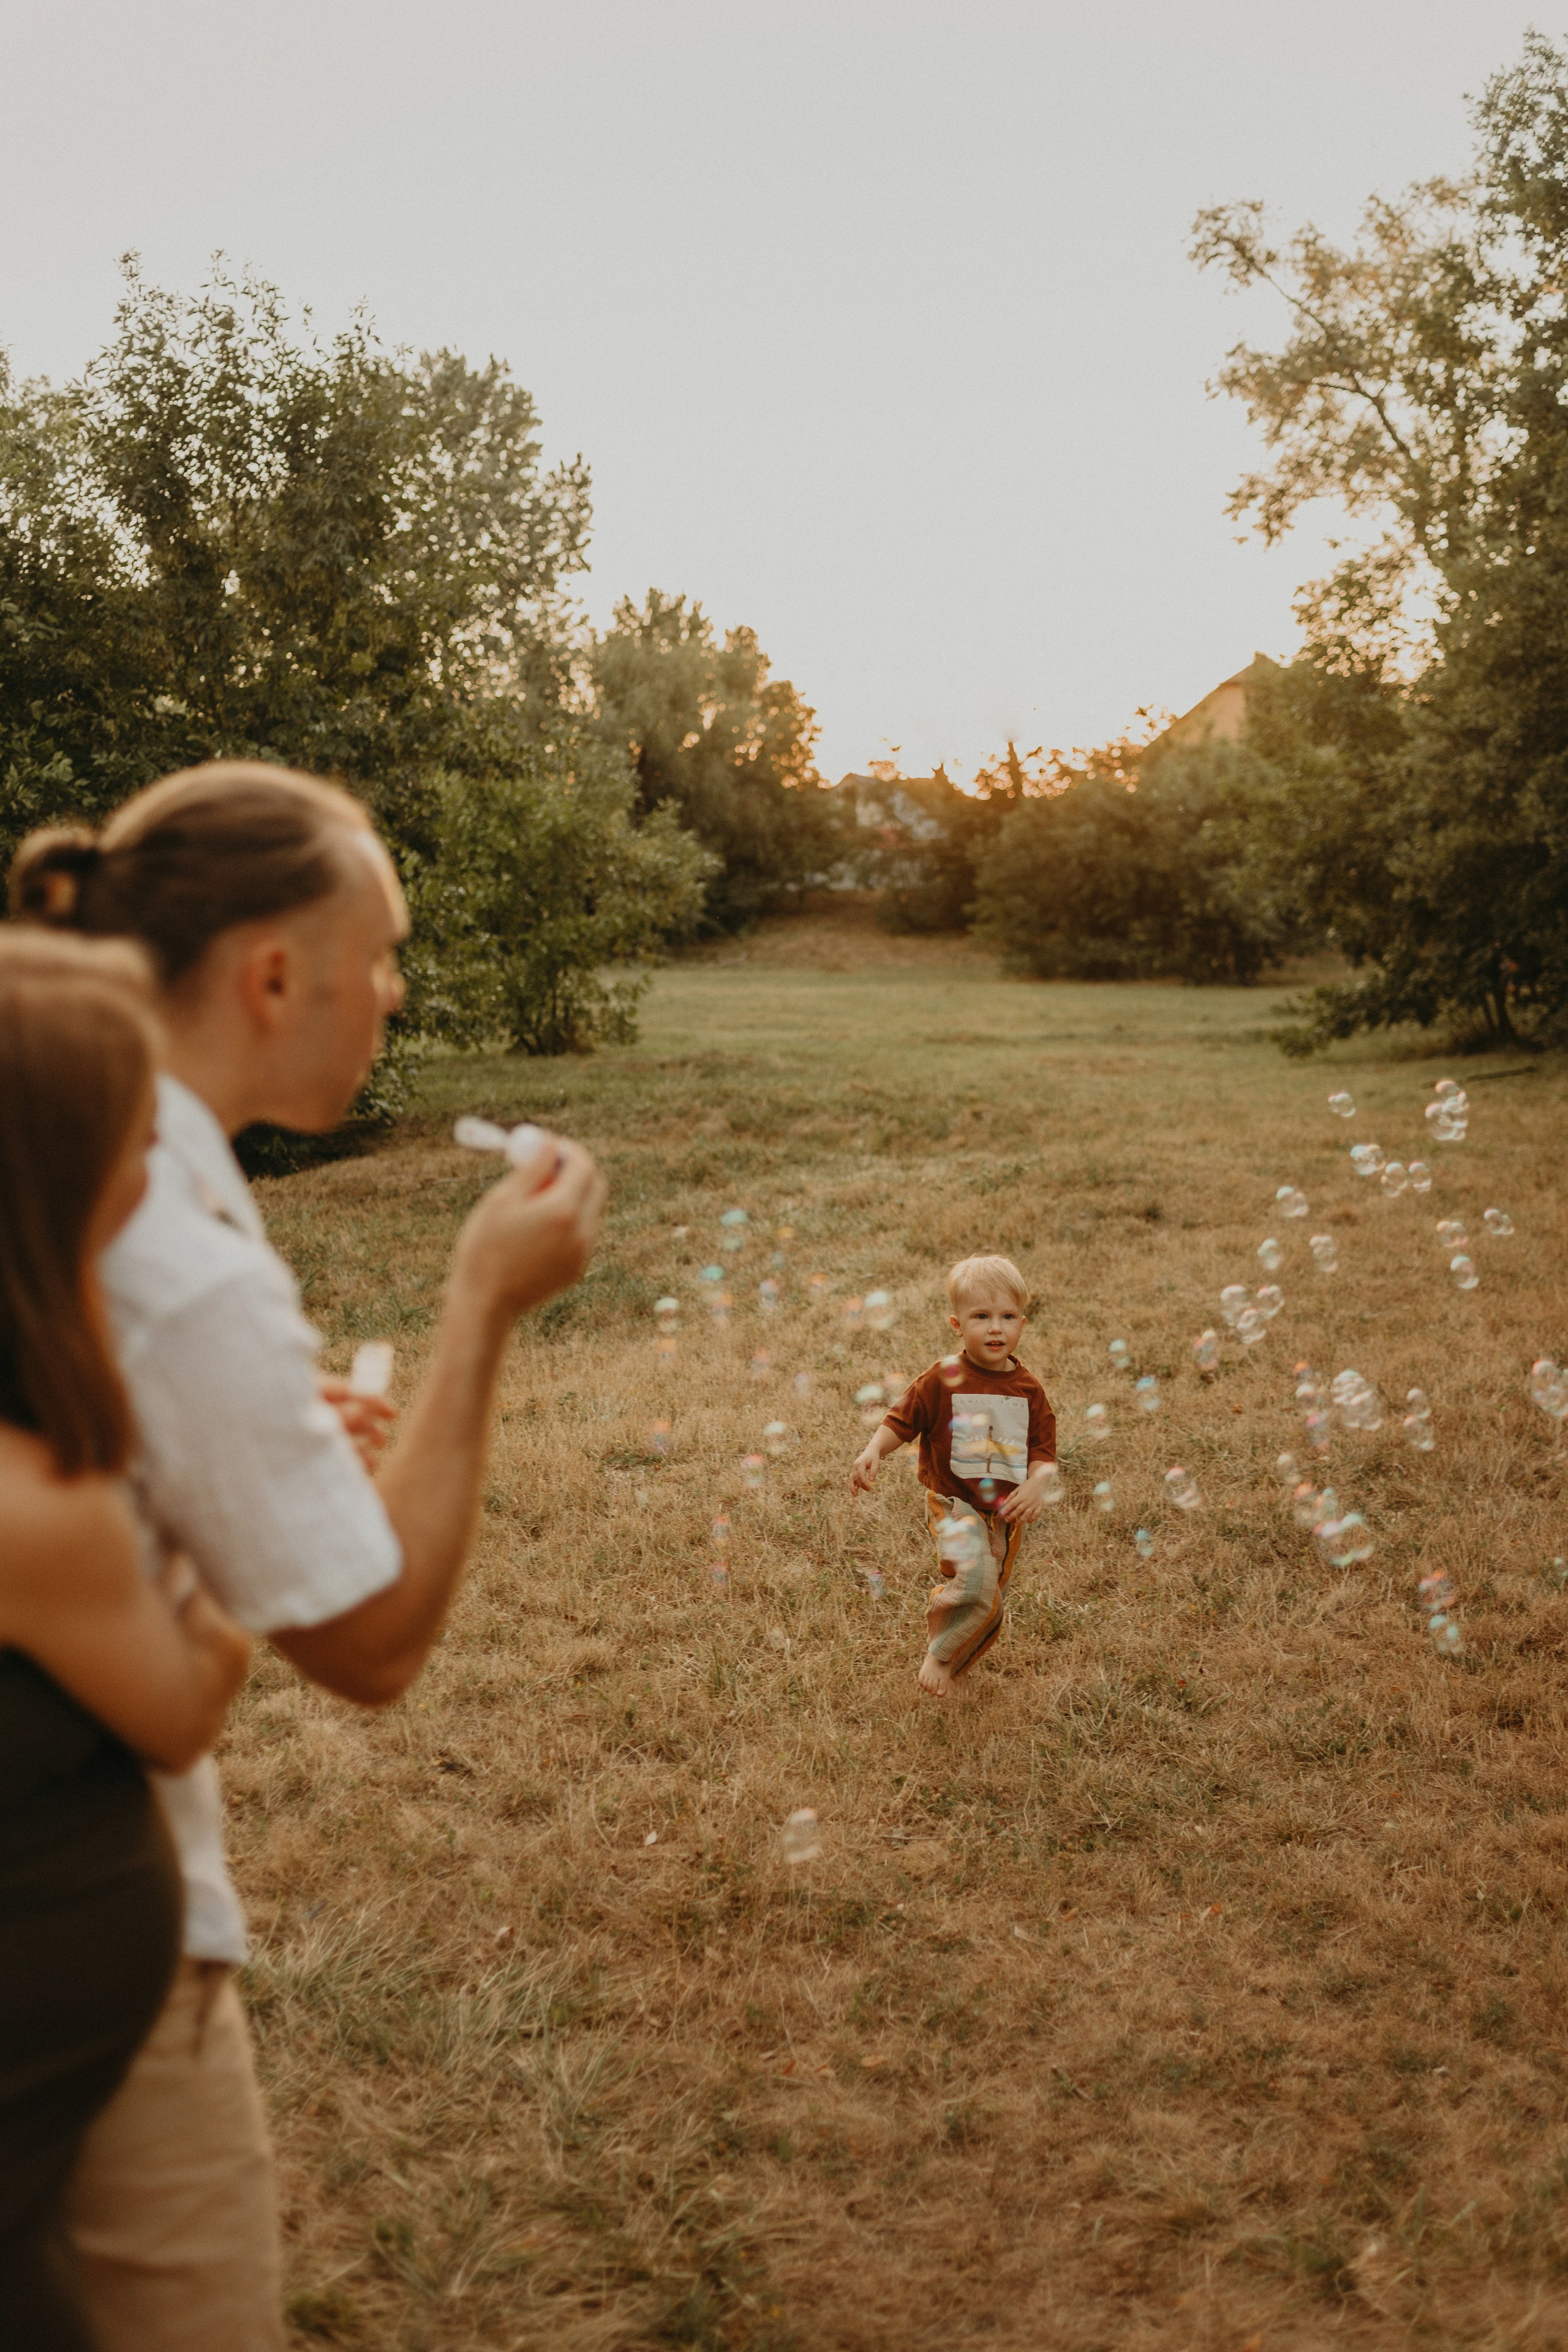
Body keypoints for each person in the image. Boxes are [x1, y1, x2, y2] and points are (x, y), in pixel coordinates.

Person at [9, 761, 606, 2352]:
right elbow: (369, 1639)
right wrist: (480, 1305)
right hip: (89, 1947)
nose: (396, 993)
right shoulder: (178, 1247)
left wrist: (249, 1449)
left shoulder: (88, 1152)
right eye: (384, 954)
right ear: (275, 975)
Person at [0, 931, 252, 2348]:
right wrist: (221, 1523)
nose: (162, 1170)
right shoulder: (38, 1514)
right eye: (137, 1136)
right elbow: (186, 1698)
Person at [850, 1255, 1057, 1697]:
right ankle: (940, 1654)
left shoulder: (1029, 1391)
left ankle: (954, 1659)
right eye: (981, 1317)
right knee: (977, 1581)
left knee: (989, 1602)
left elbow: (1043, 1452)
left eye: (1007, 1317)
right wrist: (874, 1450)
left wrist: (1037, 1483)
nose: (996, 1328)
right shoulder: (944, 1378)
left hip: (1004, 1513)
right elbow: (903, 1420)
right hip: (954, 1501)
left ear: (1022, 1324)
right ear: (957, 1325)